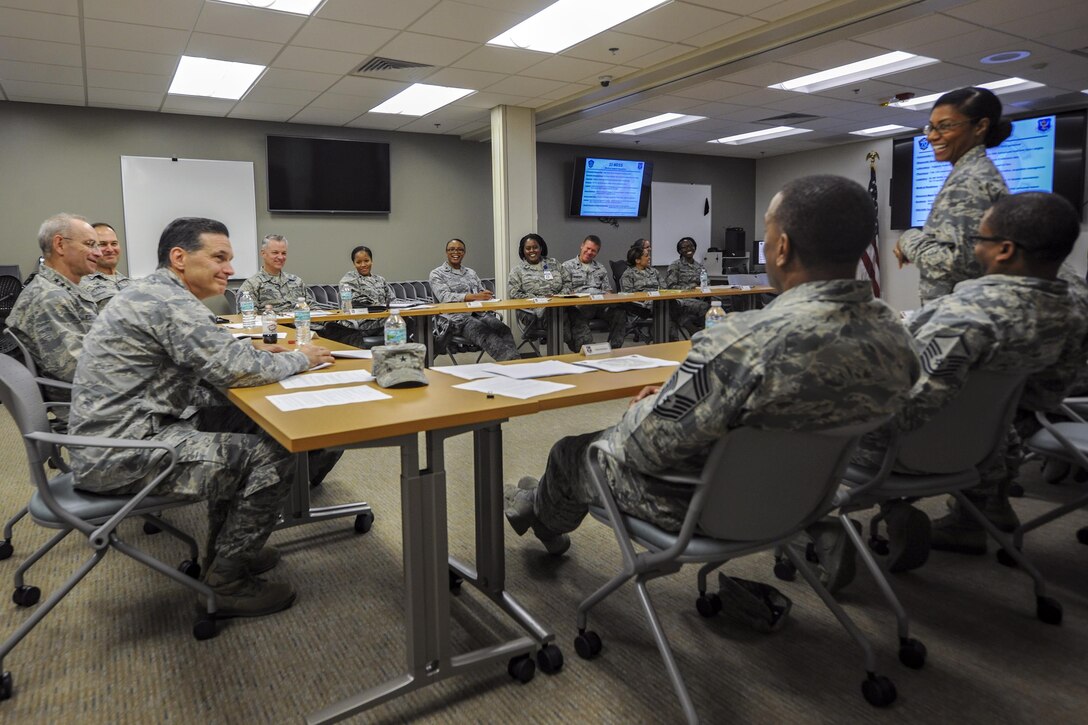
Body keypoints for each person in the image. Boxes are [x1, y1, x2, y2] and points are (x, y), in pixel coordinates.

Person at [504, 175, 920, 558]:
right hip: (809, 494)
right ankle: (531, 498)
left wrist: (654, 406)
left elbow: (645, 447)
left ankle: (536, 512)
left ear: (782, 247)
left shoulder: (738, 341)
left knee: (572, 451)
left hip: (709, 504)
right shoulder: (895, 335)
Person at [68, 217, 336, 619]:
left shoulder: (156, 293)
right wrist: (302, 357)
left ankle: (228, 552)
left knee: (241, 423)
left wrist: (257, 362)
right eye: (219, 257)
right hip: (123, 452)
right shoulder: (167, 301)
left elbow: (209, 370)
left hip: (121, 436)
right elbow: (234, 369)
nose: (229, 268)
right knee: (271, 454)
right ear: (179, 258)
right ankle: (227, 583)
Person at [851, 192, 1088, 564]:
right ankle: (979, 512)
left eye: (979, 239)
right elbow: (1046, 397)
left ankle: (815, 527)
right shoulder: (1072, 312)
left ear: (1005, 250)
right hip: (989, 449)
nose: (973, 247)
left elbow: (907, 411)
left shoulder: (963, 315)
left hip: (901, 452)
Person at [894, 86, 1010, 304]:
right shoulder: (973, 172)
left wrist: (908, 239)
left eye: (945, 127)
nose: (931, 137)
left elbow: (958, 264)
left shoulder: (970, 180)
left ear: (980, 126)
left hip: (960, 314)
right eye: (931, 127)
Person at [7, 213, 101, 423]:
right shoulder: (48, 298)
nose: (99, 252)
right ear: (59, 245)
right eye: (90, 244)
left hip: (97, 394)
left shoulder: (66, 290)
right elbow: (75, 369)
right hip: (89, 405)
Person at [429, 238, 519, 362]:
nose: (456, 252)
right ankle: (514, 364)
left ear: (464, 253)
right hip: (456, 319)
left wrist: (488, 297)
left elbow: (481, 292)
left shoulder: (471, 273)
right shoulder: (437, 274)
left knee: (503, 329)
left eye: (460, 249)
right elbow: (445, 297)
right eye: (452, 249)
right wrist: (474, 297)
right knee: (486, 334)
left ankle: (515, 364)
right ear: (446, 252)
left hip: (479, 313)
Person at [321, 245, 399, 348]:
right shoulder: (349, 279)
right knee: (396, 322)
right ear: (354, 264)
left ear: (372, 261)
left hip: (379, 319)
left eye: (366, 261)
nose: (363, 265)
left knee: (403, 320)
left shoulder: (380, 279)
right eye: (358, 262)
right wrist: (382, 307)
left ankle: (397, 353)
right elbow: (358, 304)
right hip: (360, 322)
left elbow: (392, 301)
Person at [562, 235, 627, 351]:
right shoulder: (567, 266)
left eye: (593, 250)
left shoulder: (600, 268)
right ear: (582, 246)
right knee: (575, 318)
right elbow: (565, 291)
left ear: (597, 252)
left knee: (619, 313)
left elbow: (608, 291)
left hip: (599, 307)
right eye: (587, 248)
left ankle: (614, 350)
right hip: (579, 308)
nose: (589, 252)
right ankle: (587, 351)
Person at [507, 233, 571, 348]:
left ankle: (589, 355)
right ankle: (562, 350)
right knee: (557, 317)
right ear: (523, 250)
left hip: (559, 306)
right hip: (531, 313)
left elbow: (568, 283)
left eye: (535, 247)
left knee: (577, 317)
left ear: (541, 248)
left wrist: (558, 298)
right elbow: (514, 294)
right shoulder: (517, 271)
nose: (532, 251)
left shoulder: (554, 264)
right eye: (528, 248)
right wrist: (539, 300)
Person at [237, 233, 316, 314]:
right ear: (263, 253)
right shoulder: (251, 286)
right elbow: (248, 317)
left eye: (284, 253)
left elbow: (313, 308)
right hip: (273, 325)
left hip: (303, 325)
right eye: (275, 253)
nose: (281, 257)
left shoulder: (296, 282)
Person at [665, 236, 711, 337]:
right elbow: (671, 287)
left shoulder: (699, 267)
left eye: (691, 246)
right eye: (684, 247)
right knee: (704, 307)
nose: (689, 249)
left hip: (697, 298)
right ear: (680, 251)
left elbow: (706, 283)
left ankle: (700, 333)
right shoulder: (675, 265)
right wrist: (691, 288)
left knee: (715, 305)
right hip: (681, 299)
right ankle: (703, 335)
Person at [80, 222, 132, 308]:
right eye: (102, 244)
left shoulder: (133, 284)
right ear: (90, 247)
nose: (110, 249)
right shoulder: (81, 285)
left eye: (114, 243)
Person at [620, 240, 664, 339]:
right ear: (637, 260)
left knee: (672, 307)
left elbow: (664, 288)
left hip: (659, 301)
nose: (649, 258)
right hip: (641, 306)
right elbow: (628, 296)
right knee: (666, 310)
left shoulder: (654, 271)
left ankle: (666, 340)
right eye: (646, 256)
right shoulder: (628, 274)